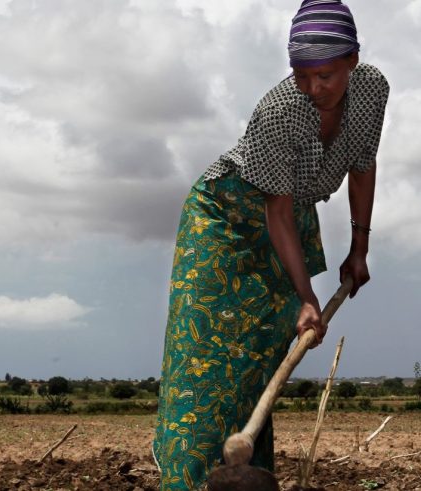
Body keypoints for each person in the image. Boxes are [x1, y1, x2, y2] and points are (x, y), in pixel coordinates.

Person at [153, 1, 388, 489]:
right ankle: (190, 483)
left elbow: (363, 162)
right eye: (301, 74)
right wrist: (306, 297)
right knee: (206, 365)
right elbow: (275, 209)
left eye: (324, 74)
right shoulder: (280, 110)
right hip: (225, 221)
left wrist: (359, 247)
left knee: (259, 360)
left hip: (288, 221)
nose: (313, 87)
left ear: (353, 59)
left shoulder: (372, 90)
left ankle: (245, 480)